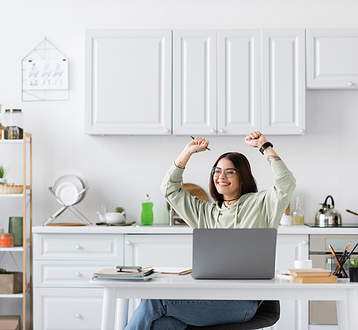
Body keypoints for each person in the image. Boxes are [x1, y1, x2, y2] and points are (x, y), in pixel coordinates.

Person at [124, 131, 296, 330]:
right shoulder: (204, 212)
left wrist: (264, 146)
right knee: (163, 325)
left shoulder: (262, 204)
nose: (221, 176)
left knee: (154, 301)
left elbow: (286, 182)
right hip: (206, 297)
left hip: (243, 304)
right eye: (216, 170)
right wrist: (187, 152)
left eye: (230, 171)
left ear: (243, 177)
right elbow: (169, 189)